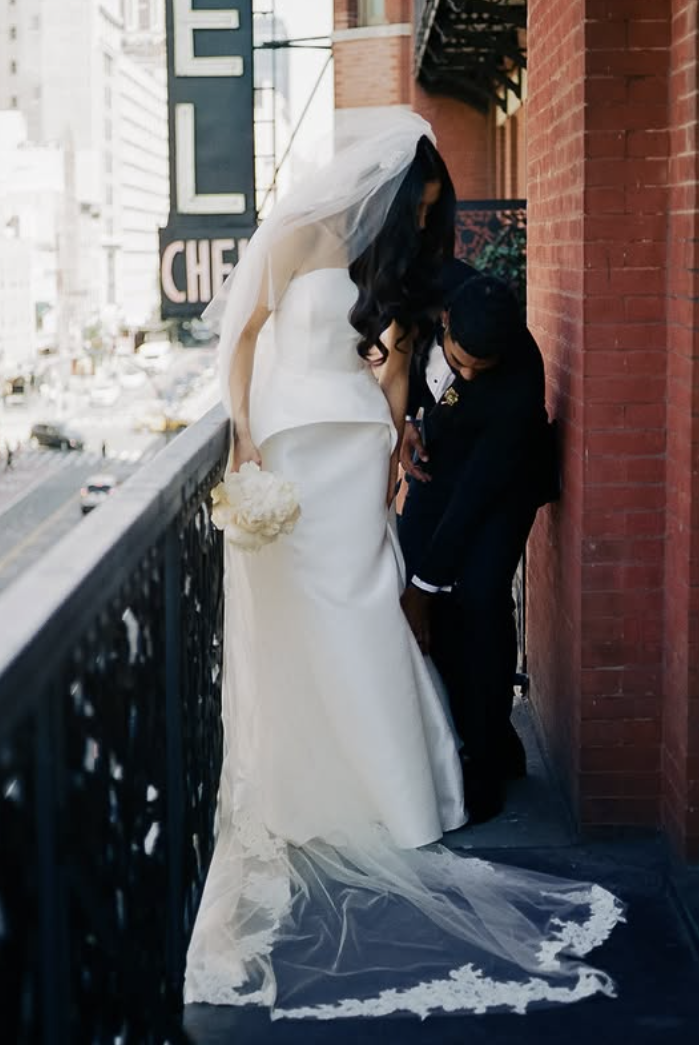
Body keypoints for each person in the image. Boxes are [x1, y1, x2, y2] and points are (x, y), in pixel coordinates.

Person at [184, 113, 621, 1019]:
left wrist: (394, 434)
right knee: (302, 618)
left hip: (354, 452)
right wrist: (247, 435)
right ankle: (316, 783)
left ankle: (400, 793)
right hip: (291, 445)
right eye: (414, 208)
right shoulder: (297, 233)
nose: (422, 225)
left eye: (428, 213)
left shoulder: (393, 275)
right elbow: (245, 337)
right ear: (376, 190)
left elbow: (392, 367)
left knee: (366, 606)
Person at [398, 272, 560, 826]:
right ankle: (471, 730)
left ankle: (487, 761)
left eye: (476, 370)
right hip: (446, 452)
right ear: (444, 320)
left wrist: (423, 589)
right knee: (418, 567)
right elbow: (415, 372)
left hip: (505, 479)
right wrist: (405, 422)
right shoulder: (429, 299)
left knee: (480, 596)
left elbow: (474, 497)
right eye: (458, 361)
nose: (464, 373)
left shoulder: (516, 385)